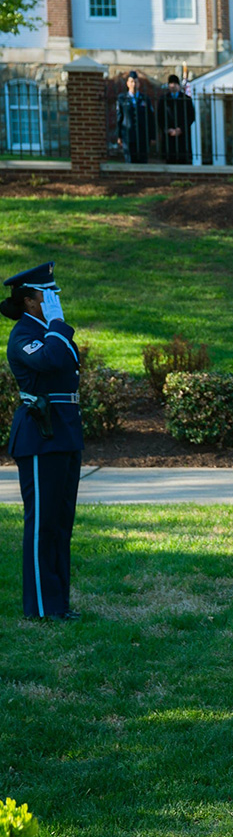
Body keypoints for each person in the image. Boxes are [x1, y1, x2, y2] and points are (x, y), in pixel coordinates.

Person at [4, 262, 82, 621]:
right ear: (31, 301)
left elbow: (68, 360)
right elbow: (52, 360)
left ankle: (58, 605)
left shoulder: (51, 332)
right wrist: (56, 325)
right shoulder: (24, 335)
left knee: (61, 522)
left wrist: (55, 327)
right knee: (42, 523)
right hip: (40, 433)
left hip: (63, 430)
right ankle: (40, 607)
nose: (53, 299)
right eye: (47, 294)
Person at [115, 71, 153, 163]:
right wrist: (119, 135)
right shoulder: (122, 98)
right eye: (131, 81)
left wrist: (152, 136)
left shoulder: (145, 99)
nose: (133, 84)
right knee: (129, 161)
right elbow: (119, 117)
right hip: (128, 136)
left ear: (139, 84)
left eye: (135, 82)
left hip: (142, 136)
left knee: (142, 162)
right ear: (127, 83)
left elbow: (150, 118)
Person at [158, 75, 195, 164]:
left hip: (183, 137)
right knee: (170, 160)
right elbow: (160, 117)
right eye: (171, 83)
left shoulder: (186, 99)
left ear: (178, 85)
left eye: (175, 83)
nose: (173, 86)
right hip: (169, 137)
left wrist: (181, 129)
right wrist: (167, 129)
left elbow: (191, 117)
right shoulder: (163, 99)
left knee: (183, 161)